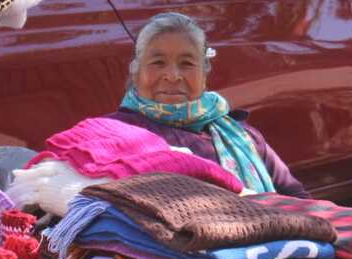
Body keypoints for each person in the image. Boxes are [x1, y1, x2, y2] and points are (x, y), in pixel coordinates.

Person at [105, 12, 309, 198]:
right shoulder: (110, 136)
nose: (173, 76)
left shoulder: (242, 136)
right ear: (136, 70)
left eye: (187, 64)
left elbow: (297, 198)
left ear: (204, 73)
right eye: (158, 62)